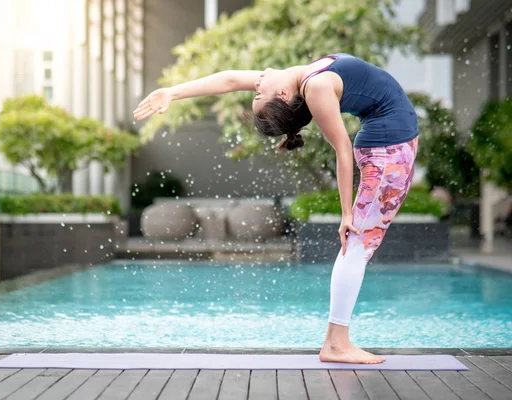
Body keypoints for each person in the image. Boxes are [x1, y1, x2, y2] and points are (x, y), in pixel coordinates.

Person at [133, 52, 419, 364]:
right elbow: (342, 150)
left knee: (359, 244)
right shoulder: (316, 86)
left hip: (389, 145)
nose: (257, 82)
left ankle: (336, 342)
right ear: (283, 95)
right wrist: (347, 213)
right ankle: (336, 343)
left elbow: (228, 79)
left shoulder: (304, 78)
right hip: (387, 152)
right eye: (259, 92)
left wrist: (172, 92)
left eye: (257, 92)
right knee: (358, 244)